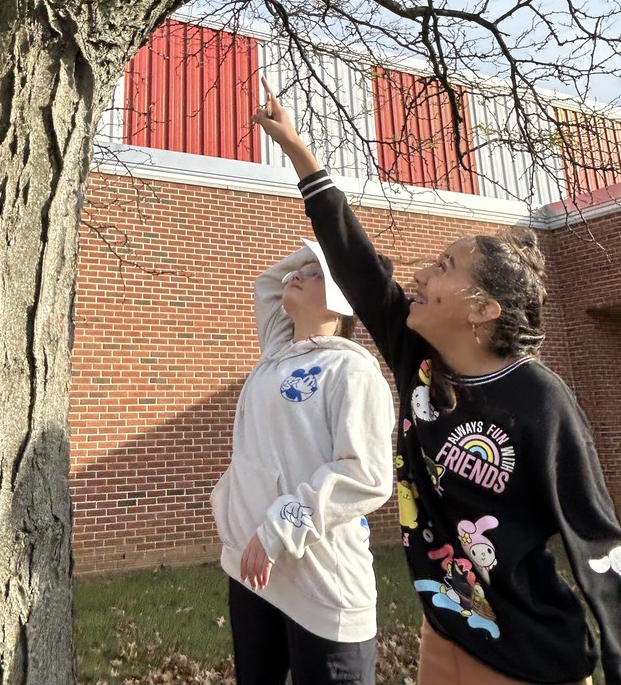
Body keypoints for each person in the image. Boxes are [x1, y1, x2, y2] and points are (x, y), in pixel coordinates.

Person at [251, 80, 621, 685]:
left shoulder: (540, 401)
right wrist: (298, 152)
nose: (420, 274)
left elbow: (596, 542)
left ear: (483, 311)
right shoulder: (417, 359)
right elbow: (359, 265)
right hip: (443, 634)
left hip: (533, 662)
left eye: (444, 267)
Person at [210, 236, 395, 685]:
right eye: (303, 269)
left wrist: (279, 530)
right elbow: (269, 283)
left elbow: (365, 476)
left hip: (322, 586)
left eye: (316, 275)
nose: (297, 275)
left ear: (340, 301)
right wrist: (322, 255)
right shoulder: (275, 355)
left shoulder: (352, 371)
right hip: (252, 571)